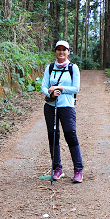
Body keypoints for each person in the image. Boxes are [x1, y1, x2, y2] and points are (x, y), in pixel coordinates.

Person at [41, 40, 83, 183]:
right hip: (51, 106)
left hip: (67, 106)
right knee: (53, 136)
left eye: (64, 50)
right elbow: (43, 86)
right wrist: (50, 94)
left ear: (68, 52)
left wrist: (60, 88)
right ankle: (57, 169)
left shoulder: (73, 68)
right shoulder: (50, 67)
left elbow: (76, 89)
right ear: (55, 51)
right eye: (58, 49)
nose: (61, 52)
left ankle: (78, 169)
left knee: (70, 135)